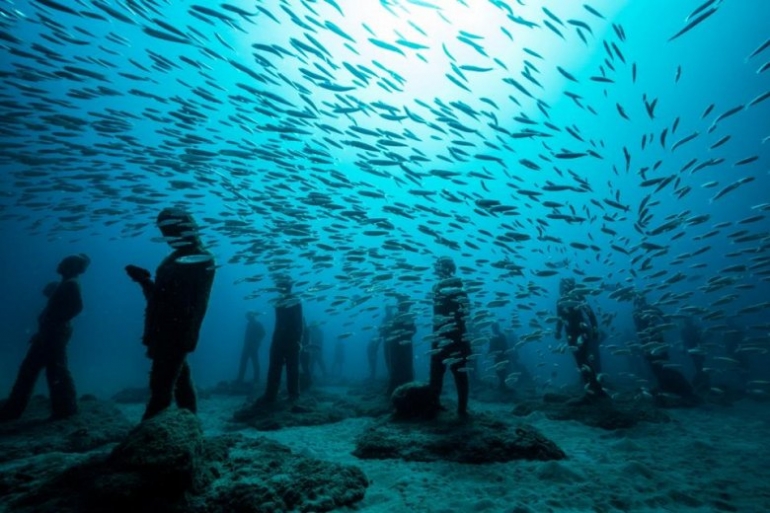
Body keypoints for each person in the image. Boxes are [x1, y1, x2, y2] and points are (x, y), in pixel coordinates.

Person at [126, 207, 215, 421]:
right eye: (163, 231)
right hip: (163, 328)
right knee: (180, 381)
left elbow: (191, 302)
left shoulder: (200, 258)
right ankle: (191, 427)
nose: (166, 236)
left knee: (161, 386)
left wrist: (187, 334)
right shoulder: (175, 257)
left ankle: (152, 433)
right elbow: (162, 297)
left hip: (176, 331)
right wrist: (144, 281)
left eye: (169, 230)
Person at [0, 255, 90, 421]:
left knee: (50, 371)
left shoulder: (70, 284)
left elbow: (77, 307)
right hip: (49, 334)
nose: (59, 264)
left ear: (70, 266)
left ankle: (64, 409)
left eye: (63, 262)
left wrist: (55, 324)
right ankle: (62, 408)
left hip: (53, 335)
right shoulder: (67, 283)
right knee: (43, 370)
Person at [632, 294, 698, 405]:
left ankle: (681, 388)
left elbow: (664, 320)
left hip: (653, 341)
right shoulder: (646, 310)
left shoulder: (641, 311)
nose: (638, 303)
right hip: (651, 341)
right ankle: (669, 386)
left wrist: (657, 327)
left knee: (661, 365)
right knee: (657, 365)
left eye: (638, 301)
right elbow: (666, 319)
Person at [429, 256, 471, 416]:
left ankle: (460, 409)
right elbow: (466, 312)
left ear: (446, 268)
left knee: (449, 372)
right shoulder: (440, 287)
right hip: (449, 336)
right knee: (445, 372)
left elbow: (464, 311)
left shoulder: (456, 287)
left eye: (438, 266)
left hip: (452, 336)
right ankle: (457, 409)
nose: (435, 269)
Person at [555, 278, 607, 400]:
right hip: (572, 334)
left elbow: (590, 314)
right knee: (580, 362)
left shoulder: (578, 296)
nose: (561, 289)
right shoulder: (561, 301)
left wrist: (594, 330)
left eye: (563, 286)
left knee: (583, 360)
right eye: (561, 286)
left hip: (581, 332)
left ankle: (594, 390)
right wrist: (558, 331)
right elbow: (560, 318)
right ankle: (592, 390)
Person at [261, 275, 303, 403]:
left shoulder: (295, 301)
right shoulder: (278, 301)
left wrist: (297, 340)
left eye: (282, 285)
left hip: (289, 340)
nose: (280, 287)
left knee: (290, 368)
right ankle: (271, 394)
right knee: (277, 367)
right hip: (279, 339)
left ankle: (292, 395)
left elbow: (298, 323)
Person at [386, 296, 416, 395]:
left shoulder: (396, 316)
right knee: (403, 367)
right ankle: (403, 390)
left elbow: (391, 330)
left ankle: (397, 389)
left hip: (398, 347)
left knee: (398, 367)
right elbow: (413, 330)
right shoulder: (406, 316)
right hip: (402, 347)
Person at [680, 316, 709, 394]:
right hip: (694, 350)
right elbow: (684, 341)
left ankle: (701, 381)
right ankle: (702, 381)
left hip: (697, 349)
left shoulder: (688, 329)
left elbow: (705, 334)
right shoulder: (686, 330)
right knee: (699, 365)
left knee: (699, 365)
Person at [237, 311, 265, 385]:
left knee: (254, 362)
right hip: (247, 346)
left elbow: (263, 334)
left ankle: (256, 379)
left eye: (248, 316)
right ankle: (240, 378)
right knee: (244, 362)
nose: (247, 318)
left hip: (253, 346)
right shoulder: (249, 324)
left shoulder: (257, 324)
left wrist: (257, 342)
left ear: (251, 316)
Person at [488, 322, 510, 390]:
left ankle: (503, 383)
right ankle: (502, 383)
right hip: (498, 356)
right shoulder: (498, 336)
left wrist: (490, 352)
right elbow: (491, 346)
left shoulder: (500, 336)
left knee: (501, 369)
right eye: (493, 328)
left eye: (494, 328)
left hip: (500, 355)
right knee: (499, 369)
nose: (493, 329)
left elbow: (505, 345)